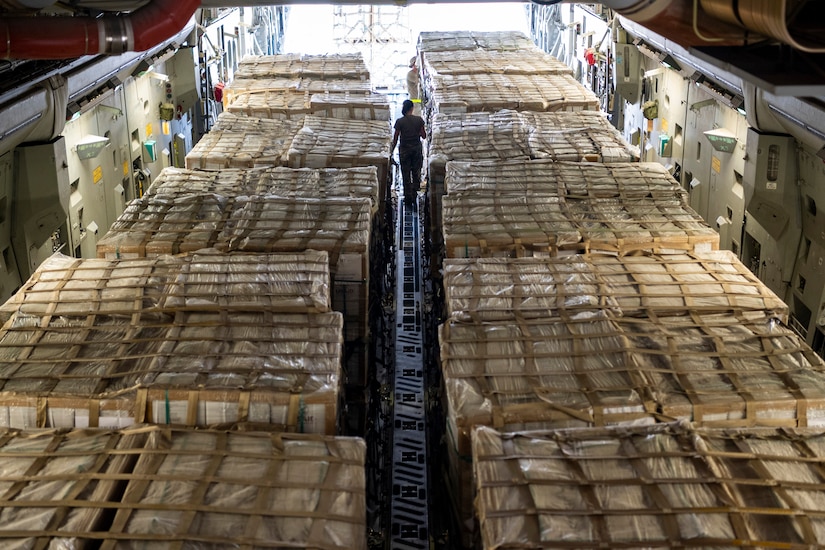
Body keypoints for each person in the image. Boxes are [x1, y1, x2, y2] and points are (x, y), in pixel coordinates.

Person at [391, 99, 426, 206]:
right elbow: (424, 135)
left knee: (405, 174)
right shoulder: (419, 120)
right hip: (416, 150)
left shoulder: (400, 121)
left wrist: (392, 151)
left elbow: (396, 137)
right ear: (412, 108)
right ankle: (415, 193)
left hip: (404, 150)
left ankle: (408, 197)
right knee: (416, 172)